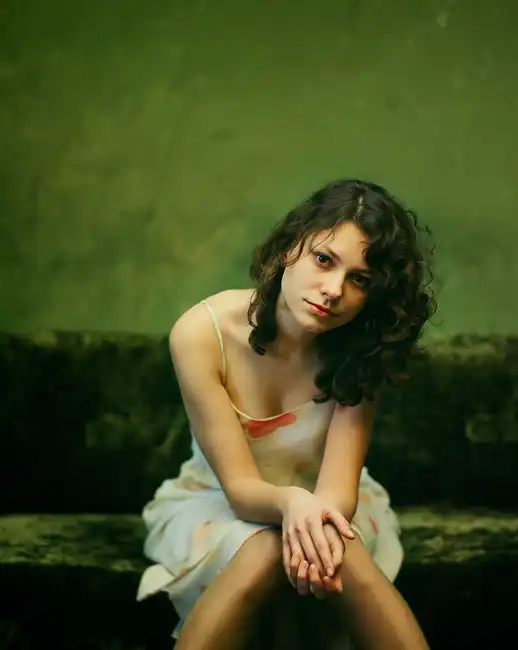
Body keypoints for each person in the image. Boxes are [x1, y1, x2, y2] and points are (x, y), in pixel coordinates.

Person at [136, 179, 436, 649]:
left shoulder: (365, 348)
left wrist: (308, 511)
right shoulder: (201, 333)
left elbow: (337, 494)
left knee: (337, 544)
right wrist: (291, 503)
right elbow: (240, 491)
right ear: (289, 247)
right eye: (324, 259)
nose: (333, 290)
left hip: (329, 501)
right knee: (265, 549)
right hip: (220, 501)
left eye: (359, 280)